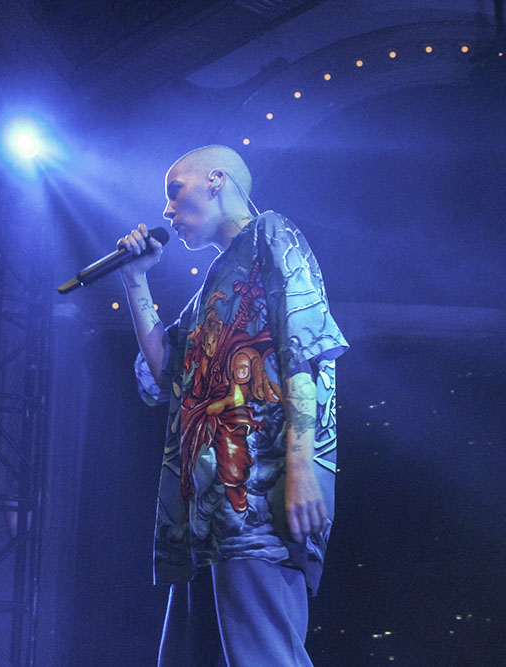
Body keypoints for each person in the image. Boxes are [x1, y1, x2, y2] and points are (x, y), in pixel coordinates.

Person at [117, 145, 348, 666]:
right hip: (207, 513)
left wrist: (300, 467)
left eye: (176, 193)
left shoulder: (272, 235)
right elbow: (165, 371)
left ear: (216, 180)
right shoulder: (210, 291)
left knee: (262, 655)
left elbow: (304, 351)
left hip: (256, 504)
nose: (167, 212)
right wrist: (135, 280)